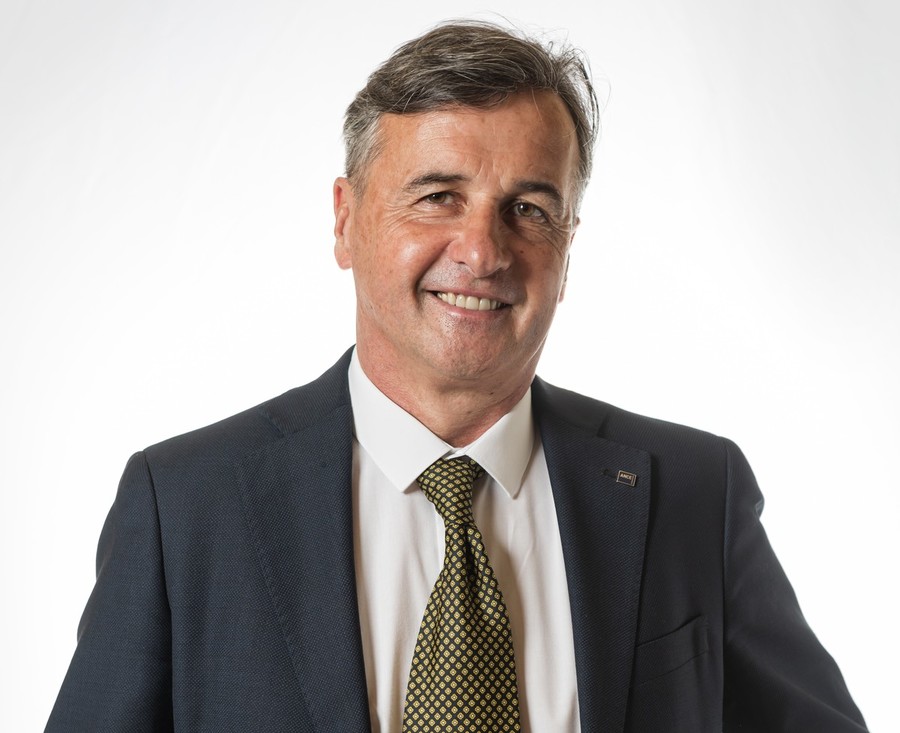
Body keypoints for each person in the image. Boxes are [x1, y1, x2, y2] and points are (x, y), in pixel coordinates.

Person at [46, 19, 867, 733]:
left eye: (530, 208)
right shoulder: (185, 506)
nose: (482, 250)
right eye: (439, 195)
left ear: (568, 246)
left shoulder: (695, 493)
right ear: (345, 219)